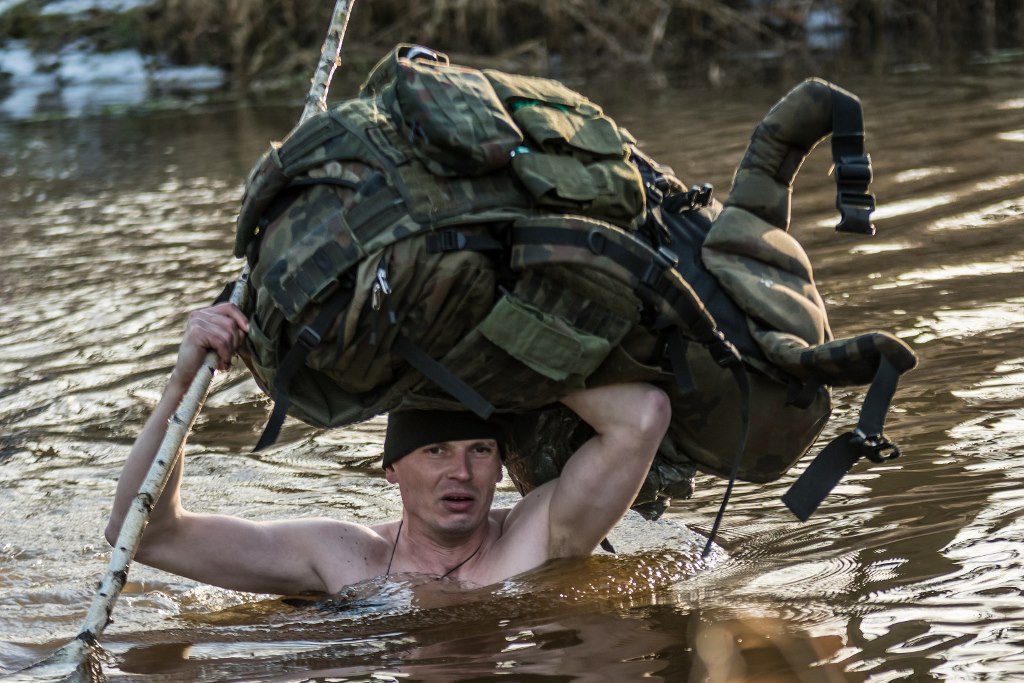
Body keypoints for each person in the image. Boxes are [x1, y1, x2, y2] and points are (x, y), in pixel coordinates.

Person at [106, 302, 671, 595]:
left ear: (501, 465)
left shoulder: (541, 530)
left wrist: (508, 352)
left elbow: (643, 417)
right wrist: (182, 382)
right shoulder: (343, 556)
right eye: (435, 452)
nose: (462, 473)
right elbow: (149, 534)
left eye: (479, 450)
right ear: (392, 470)